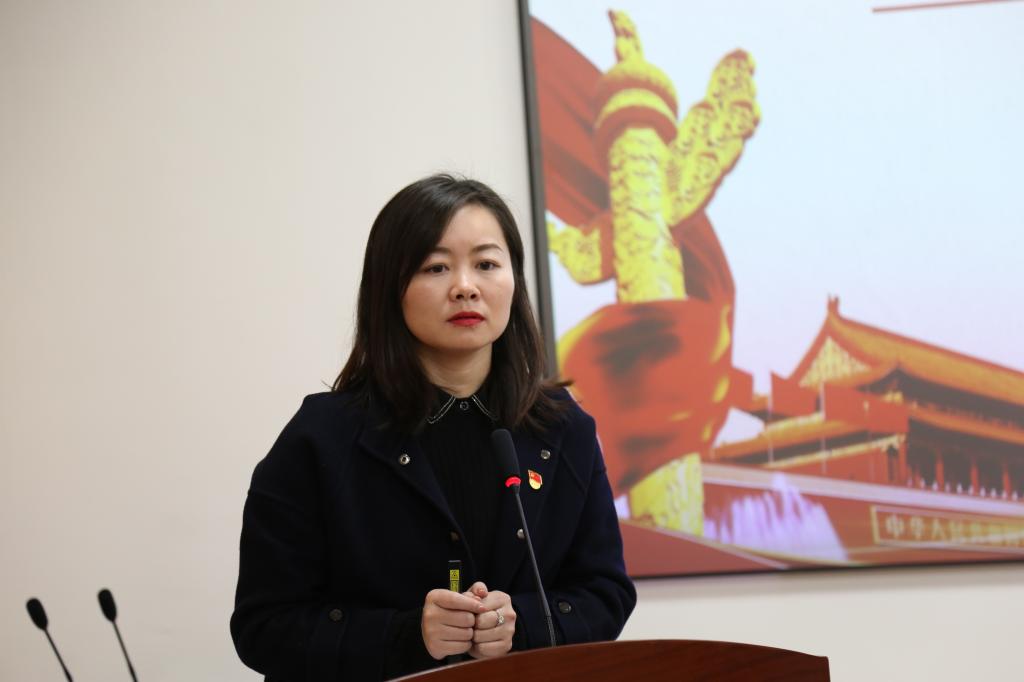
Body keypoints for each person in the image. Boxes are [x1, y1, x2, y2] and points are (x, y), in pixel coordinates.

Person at [230, 174, 636, 680]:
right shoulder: (322, 436)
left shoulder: (561, 427)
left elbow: (605, 592)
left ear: (514, 281)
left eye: (486, 264)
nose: (465, 286)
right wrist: (407, 636)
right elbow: (264, 626)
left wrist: (522, 624)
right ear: (390, 288)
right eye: (436, 267)